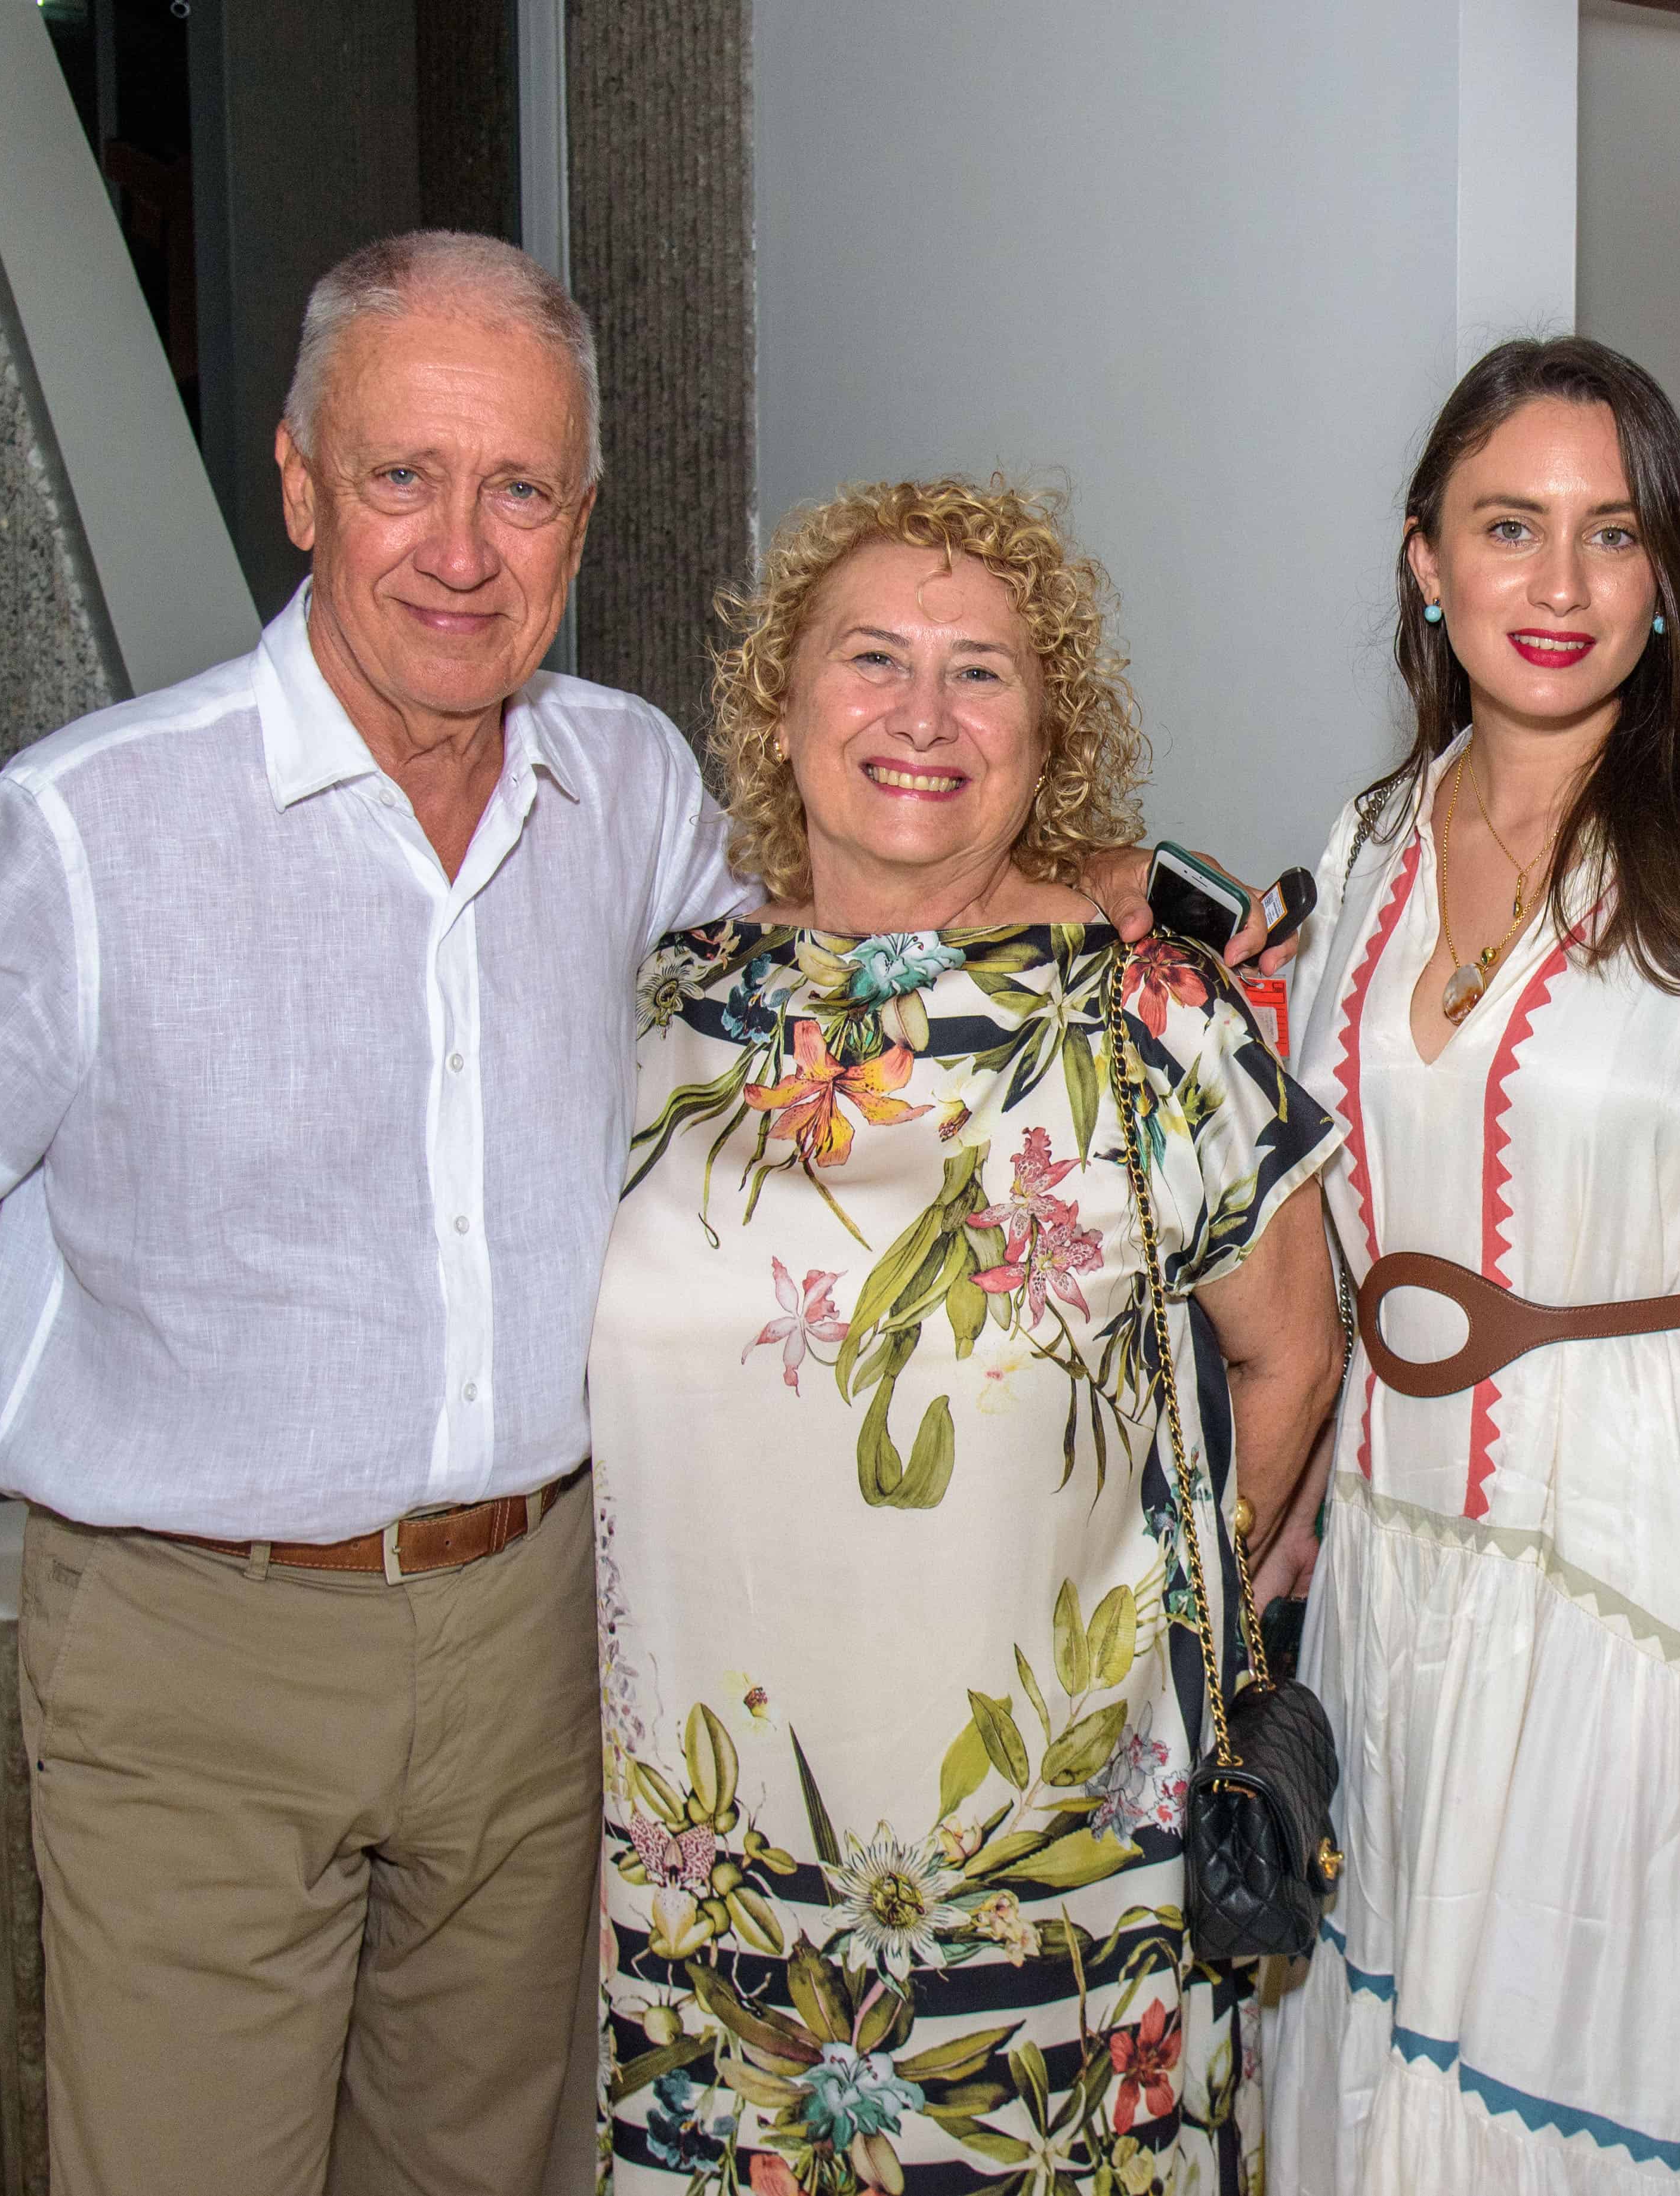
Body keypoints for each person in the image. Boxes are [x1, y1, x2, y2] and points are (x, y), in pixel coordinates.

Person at [0, 236, 1201, 2195]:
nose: (459, 548)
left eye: (520, 488)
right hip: (194, 1658)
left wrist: (1105, 868)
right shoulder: (76, 831)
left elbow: (876, 872)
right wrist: (114, 1477)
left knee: (480, 2170)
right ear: (297, 482)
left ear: (579, 518)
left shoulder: (627, 784)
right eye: (403, 477)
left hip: (544, 1640)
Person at [580, 478, 1347, 2193]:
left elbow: (1296, 1348)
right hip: (717, 1886)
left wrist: (1173, 1605)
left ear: (1045, 733)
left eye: (982, 672)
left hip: (1063, 1884)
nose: (923, 716)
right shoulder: (660, 1008)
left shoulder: (1150, 1016)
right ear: (781, 708)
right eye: (873, 660)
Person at [1262, 338, 1680, 2194]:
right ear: (1426, 562)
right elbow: (1316, 1198)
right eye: (1508, 527)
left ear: (1667, 579)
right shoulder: (1371, 840)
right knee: (1382, 2018)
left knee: (1594, 2053)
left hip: (1648, 1555)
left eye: (1611, 534)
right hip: (1396, 1543)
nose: (1557, 587)